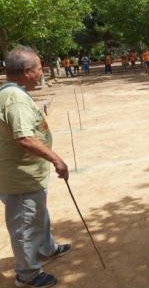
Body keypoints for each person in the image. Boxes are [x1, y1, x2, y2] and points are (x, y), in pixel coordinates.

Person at [0, 46, 71, 288]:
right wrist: (56, 159)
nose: (43, 72)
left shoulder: (13, 93)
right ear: (27, 71)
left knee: (38, 214)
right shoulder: (16, 99)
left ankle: (46, 249)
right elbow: (24, 138)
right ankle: (27, 273)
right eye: (40, 68)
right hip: (20, 177)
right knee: (24, 224)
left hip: (29, 175)